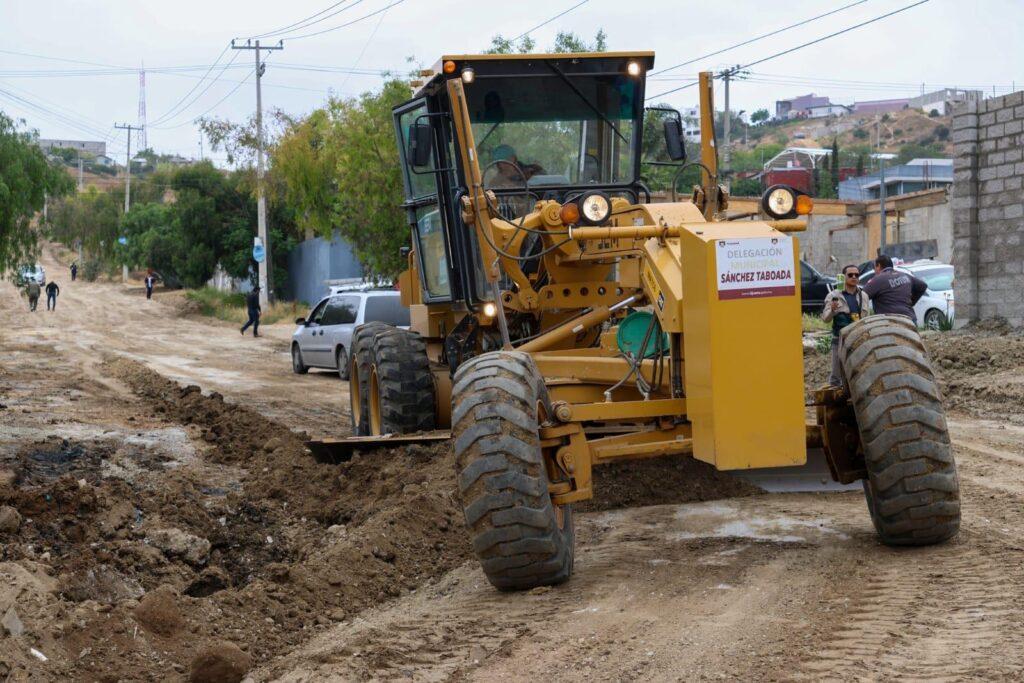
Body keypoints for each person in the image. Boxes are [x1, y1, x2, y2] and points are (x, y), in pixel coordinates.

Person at [822, 264, 871, 387]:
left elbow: (867, 318)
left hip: (858, 340)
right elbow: (825, 319)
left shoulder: (863, 296)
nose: (854, 277)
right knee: (836, 377)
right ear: (844, 277)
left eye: (856, 275)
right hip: (839, 340)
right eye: (850, 275)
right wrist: (833, 310)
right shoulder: (834, 296)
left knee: (859, 372)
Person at [862, 255, 928, 323]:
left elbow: (862, 296)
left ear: (878, 265)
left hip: (890, 322)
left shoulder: (877, 279)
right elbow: (922, 286)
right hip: (909, 319)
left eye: (874, 267)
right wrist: (911, 302)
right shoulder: (904, 275)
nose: (874, 271)